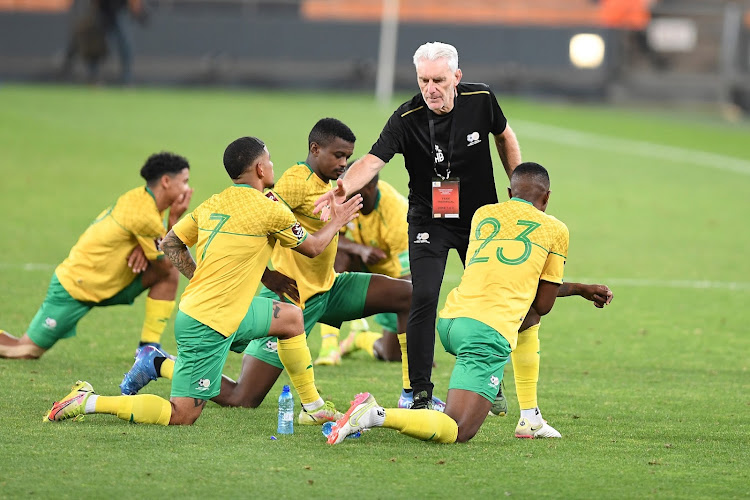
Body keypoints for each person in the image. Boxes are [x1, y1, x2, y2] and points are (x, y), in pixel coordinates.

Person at [118, 118, 444, 412]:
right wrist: (268, 274)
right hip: (293, 296)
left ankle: (412, 394)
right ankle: (159, 362)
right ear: (315, 150)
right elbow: (259, 224)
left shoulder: (331, 185)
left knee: (411, 295)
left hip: (329, 287)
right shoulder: (293, 183)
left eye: (348, 156)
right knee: (243, 398)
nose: (344, 164)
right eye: (338, 156)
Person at [44, 136, 363, 426]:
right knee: (182, 415)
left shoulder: (213, 203)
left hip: (225, 310)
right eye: (270, 161)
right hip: (207, 323)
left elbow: (170, 243)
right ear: (259, 168)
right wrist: (337, 220)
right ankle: (88, 401)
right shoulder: (271, 211)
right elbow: (314, 248)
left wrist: (200, 279)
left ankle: (314, 406)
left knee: (291, 318)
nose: (272, 166)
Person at [315, 41, 522, 410]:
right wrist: (342, 187)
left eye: (439, 80)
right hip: (430, 219)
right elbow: (373, 161)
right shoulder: (406, 118)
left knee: (490, 298)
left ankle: (490, 378)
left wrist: (517, 192)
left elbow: (504, 136)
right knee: (423, 297)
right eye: (424, 80)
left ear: (456, 77)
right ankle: (420, 394)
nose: (431, 88)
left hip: (481, 220)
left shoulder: (481, 98)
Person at [328, 162, 570, 444]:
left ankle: (529, 415)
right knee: (458, 429)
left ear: (509, 191)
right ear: (547, 197)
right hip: (486, 332)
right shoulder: (555, 229)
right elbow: (542, 305)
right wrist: (568, 288)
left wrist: (580, 289)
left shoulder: (484, 214)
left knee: (518, 324)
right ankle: (375, 414)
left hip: (451, 322)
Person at [0, 152, 192, 360]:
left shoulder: (143, 199)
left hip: (112, 282)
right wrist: (174, 218)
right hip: (76, 286)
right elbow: (165, 262)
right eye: (184, 182)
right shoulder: (144, 214)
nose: (188, 189)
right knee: (25, 350)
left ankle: (148, 350)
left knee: (168, 273)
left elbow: (160, 248)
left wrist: (144, 247)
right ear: (166, 181)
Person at [314, 172, 411, 367]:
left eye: (351, 188)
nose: (344, 194)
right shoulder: (343, 200)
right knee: (337, 255)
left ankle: (360, 339)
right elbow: (326, 235)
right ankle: (329, 343)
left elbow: (409, 276)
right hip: (359, 263)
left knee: (392, 354)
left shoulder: (396, 211)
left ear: (369, 188)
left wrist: (417, 340)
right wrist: (361, 249)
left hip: (392, 277)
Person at [61, 0, 146, 84]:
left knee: (125, 45)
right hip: (101, 9)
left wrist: (135, 5)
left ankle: (127, 79)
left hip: (119, 9)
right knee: (95, 44)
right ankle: (93, 77)